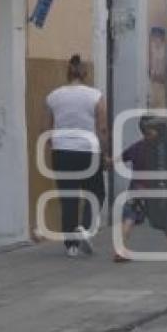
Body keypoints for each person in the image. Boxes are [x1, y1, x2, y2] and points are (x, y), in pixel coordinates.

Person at [45, 54, 107, 257]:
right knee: (96, 192)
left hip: (62, 152)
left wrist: (53, 148)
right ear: (85, 73)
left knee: (68, 197)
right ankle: (85, 228)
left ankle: (71, 246)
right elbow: (102, 128)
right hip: (88, 151)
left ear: (68, 72)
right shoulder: (95, 96)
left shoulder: (54, 96)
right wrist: (105, 152)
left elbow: (49, 128)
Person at [113, 117, 167, 263]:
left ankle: (120, 251)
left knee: (129, 218)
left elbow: (121, 158)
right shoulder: (160, 148)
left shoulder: (137, 146)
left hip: (136, 188)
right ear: (151, 131)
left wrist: (109, 162)